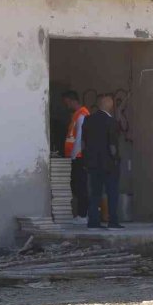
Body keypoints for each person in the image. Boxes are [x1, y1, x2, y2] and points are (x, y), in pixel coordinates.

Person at [82, 94, 123, 229]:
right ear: (110, 106)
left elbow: (84, 143)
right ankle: (113, 221)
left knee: (95, 194)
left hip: (93, 164)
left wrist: (86, 161)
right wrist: (116, 159)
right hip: (109, 164)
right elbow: (112, 145)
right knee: (112, 193)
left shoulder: (88, 120)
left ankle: (93, 221)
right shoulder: (111, 122)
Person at [62, 91, 90, 225]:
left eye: (67, 102)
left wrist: (74, 155)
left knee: (81, 186)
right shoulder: (76, 115)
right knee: (76, 185)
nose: (66, 105)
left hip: (79, 157)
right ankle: (81, 214)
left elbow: (79, 137)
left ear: (72, 100)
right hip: (76, 156)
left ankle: (83, 215)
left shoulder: (82, 115)